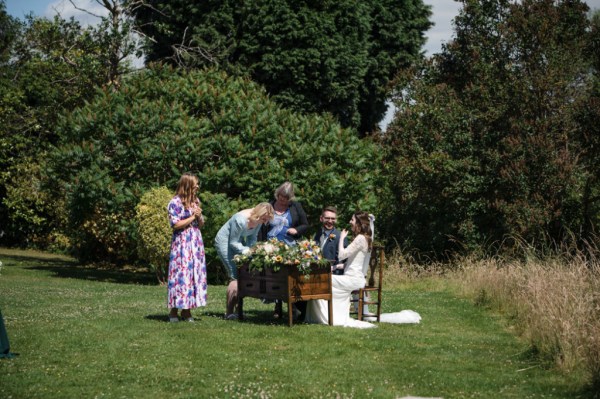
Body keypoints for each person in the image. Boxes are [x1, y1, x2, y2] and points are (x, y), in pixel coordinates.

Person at [304, 211, 377, 328]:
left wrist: (342, 239)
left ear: (358, 222)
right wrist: (339, 266)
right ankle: (328, 315)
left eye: (352, 220)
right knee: (323, 281)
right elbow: (355, 262)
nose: (350, 222)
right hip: (354, 277)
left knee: (322, 281)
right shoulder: (364, 238)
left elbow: (342, 255)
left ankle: (328, 316)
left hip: (353, 279)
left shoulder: (360, 238)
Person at [258, 182, 309, 318]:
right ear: (277, 194)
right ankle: (277, 306)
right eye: (281, 197)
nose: (283, 200)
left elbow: (305, 224)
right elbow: (261, 226)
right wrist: (260, 245)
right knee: (274, 277)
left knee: (289, 277)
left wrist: (296, 230)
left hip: (290, 248)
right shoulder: (269, 205)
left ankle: (292, 306)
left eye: (286, 198)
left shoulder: (296, 207)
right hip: (271, 247)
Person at [215, 202, 275, 320]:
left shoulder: (259, 221)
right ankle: (229, 312)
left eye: (267, 220)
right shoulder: (240, 220)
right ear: (259, 214)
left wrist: (252, 251)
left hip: (238, 243)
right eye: (264, 219)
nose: (265, 222)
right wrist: (247, 251)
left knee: (245, 273)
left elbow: (252, 238)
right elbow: (232, 242)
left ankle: (239, 310)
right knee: (235, 275)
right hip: (224, 242)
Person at [166, 173, 207, 323]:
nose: (197, 186)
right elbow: (175, 225)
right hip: (182, 244)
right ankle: (173, 311)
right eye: (195, 184)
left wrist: (199, 216)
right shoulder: (175, 203)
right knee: (180, 275)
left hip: (195, 243)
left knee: (192, 275)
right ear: (187, 185)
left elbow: (200, 224)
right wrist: (192, 217)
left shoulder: (196, 201)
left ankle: (187, 311)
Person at [314, 206, 348, 276]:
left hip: (333, 276)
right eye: (327, 218)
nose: (330, 221)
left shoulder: (340, 237)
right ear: (321, 218)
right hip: (317, 273)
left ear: (336, 220)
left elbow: (344, 261)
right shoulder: (317, 234)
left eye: (333, 218)